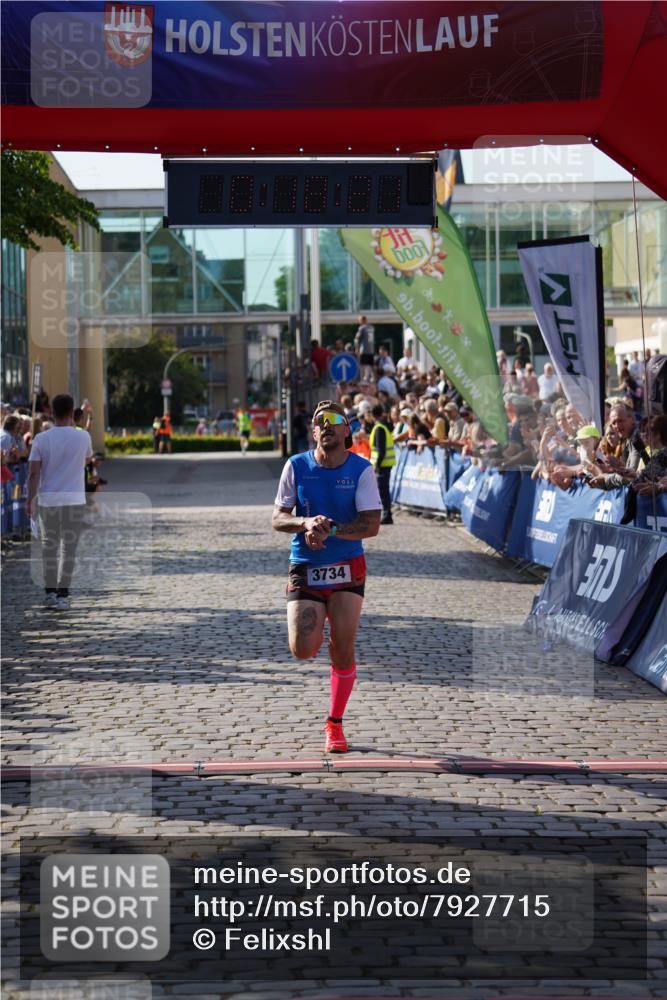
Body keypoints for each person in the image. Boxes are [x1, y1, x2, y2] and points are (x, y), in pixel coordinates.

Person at [272, 400, 382, 753]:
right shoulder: (296, 466)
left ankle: (334, 723)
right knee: (303, 648)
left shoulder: (361, 470)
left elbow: (372, 524)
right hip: (305, 563)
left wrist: (330, 529)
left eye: (337, 419)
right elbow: (277, 517)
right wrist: (306, 522)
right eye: (321, 421)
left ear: (348, 430)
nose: (329, 425)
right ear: (314, 431)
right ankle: (318, 627)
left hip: (348, 564)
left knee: (343, 647)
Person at [26, 393, 93, 611]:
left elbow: (33, 474)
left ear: (52, 412)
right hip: (74, 499)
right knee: (69, 548)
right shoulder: (83, 437)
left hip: (49, 500)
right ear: (72, 411)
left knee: (49, 547)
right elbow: (86, 460)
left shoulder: (41, 439)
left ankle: (50, 593)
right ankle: (63, 594)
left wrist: (30, 500)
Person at [368, 403, 396, 525]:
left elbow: (381, 450)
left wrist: (377, 465)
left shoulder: (379, 428)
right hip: (385, 464)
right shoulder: (383, 427)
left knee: (383, 490)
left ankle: (387, 515)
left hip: (383, 464)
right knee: (382, 490)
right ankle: (386, 514)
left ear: (372, 415)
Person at [354, 315, 375, 382]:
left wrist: (356, 348)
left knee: (363, 365)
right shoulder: (371, 327)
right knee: (370, 365)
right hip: (371, 349)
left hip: (364, 349)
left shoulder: (362, 328)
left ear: (362, 321)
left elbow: (357, 338)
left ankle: (364, 379)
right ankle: (371, 378)